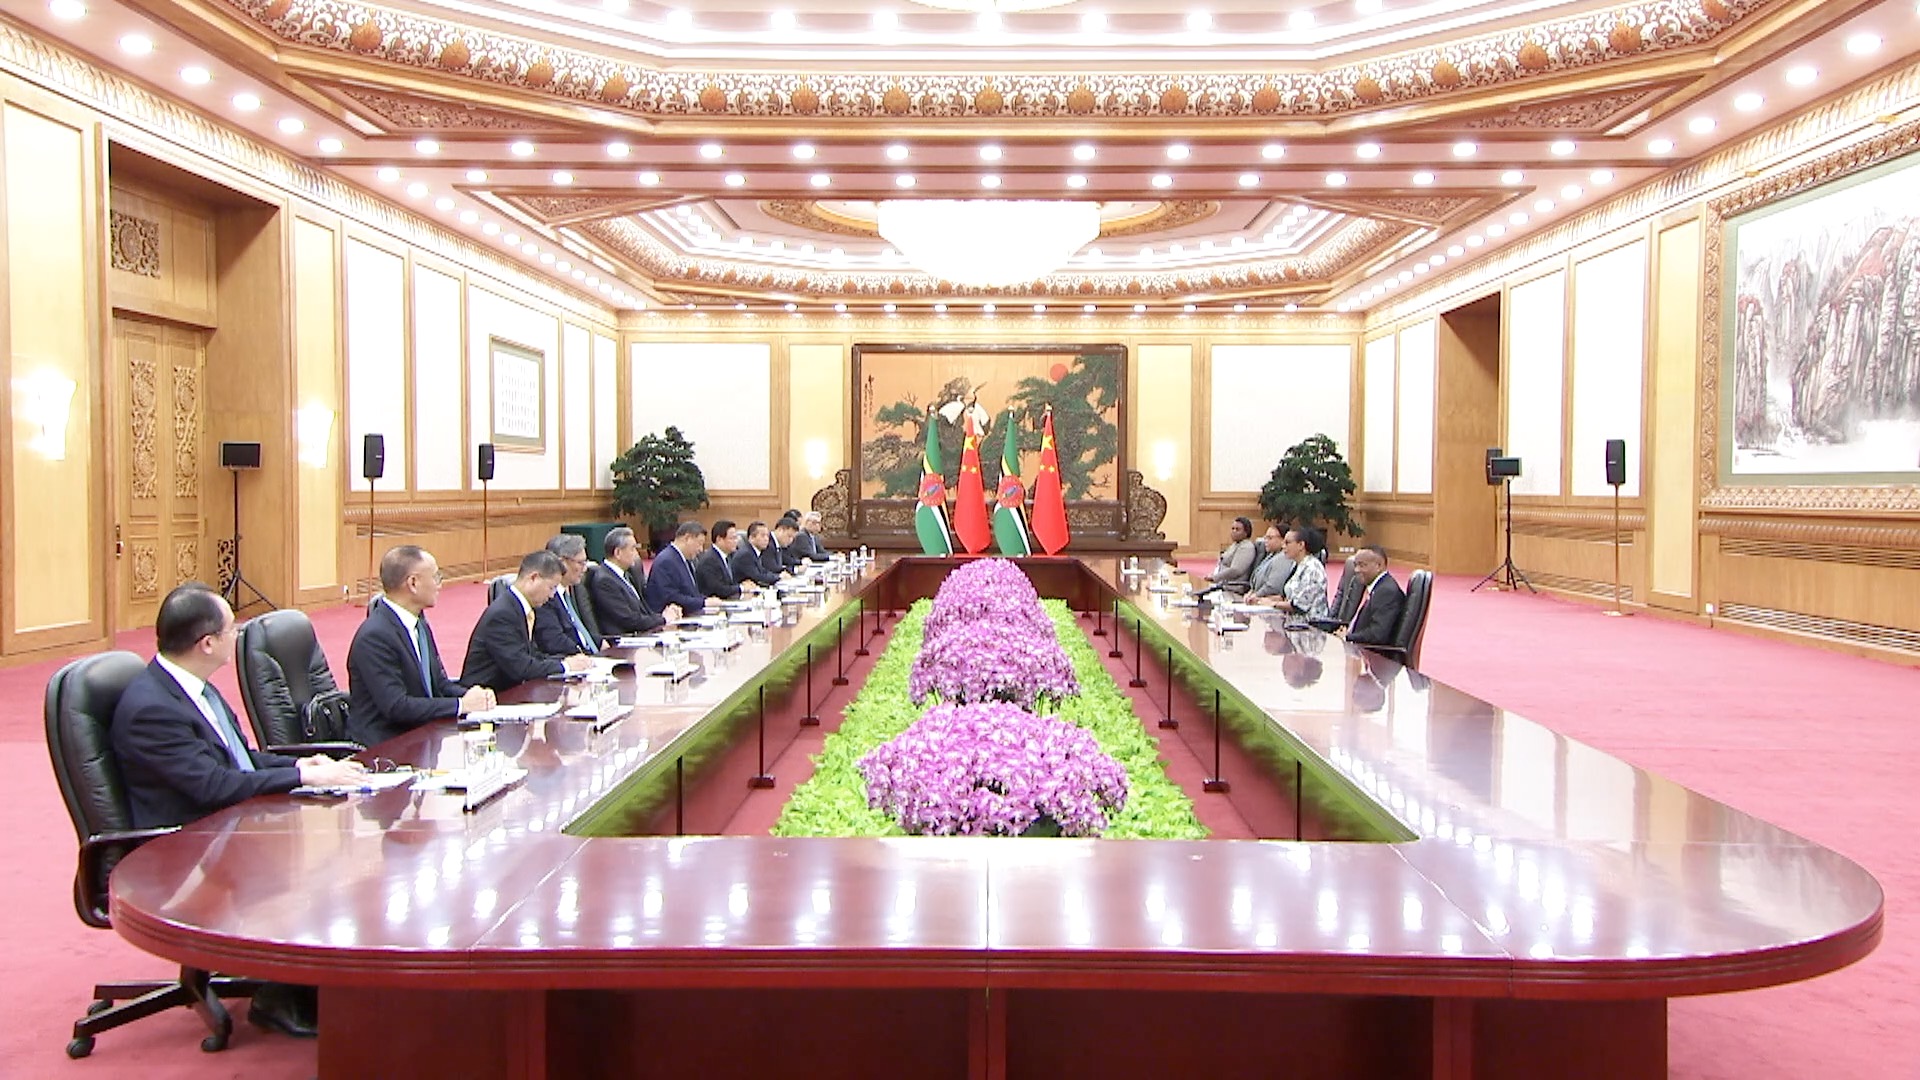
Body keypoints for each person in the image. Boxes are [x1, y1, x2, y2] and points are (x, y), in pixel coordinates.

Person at [110, 584, 364, 1039]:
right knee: (309, 867)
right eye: (232, 629)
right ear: (207, 643)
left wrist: (302, 766)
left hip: (220, 823)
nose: (238, 636)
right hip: (182, 847)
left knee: (329, 842)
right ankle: (278, 995)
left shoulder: (191, 687)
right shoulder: (152, 709)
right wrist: (299, 778)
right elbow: (213, 785)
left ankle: (303, 981)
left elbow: (238, 760)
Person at [346, 546, 495, 747]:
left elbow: (439, 685)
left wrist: (473, 696)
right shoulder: (375, 636)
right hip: (386, 748)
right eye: (435, 577)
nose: (439, 585)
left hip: (421, 737)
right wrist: (461, 705)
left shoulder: (419, 624)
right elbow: (397, 706)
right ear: (413, 583)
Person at [462, 551, 591, 690]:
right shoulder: (502, 614)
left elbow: (532, 655)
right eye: (551, 588)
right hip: (487, 694)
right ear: (533, 578)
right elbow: (520, 667)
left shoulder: (520, 607)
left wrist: (565, 661)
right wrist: (565, 666)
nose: (552, 596)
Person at [591, 527, 676, 635]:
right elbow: (628, 620)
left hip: (642, 633)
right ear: (618, 553)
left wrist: (665, 615)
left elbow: (643, 610)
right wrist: (663, 619)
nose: (636, 554)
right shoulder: (605, 581)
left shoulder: (627, 574)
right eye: (633, 549)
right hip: (625, 638)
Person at [534, 534, 603, 655]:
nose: (585, 569)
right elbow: (554, 641)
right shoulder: (545, 597)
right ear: (561, 563)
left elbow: (577, 631)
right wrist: (586, 655)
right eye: (580, 563)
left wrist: (599, 642)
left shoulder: (571, 590)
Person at [1338, 545, 1406, 648]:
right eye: (1356, 565)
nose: (1356, 570)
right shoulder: (1377, 587)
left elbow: (1377, 634)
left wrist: (1347, 637)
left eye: (1362, 565)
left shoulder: (1386, 592)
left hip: (1370, 653)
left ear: (1378, 566)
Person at [1265, 526, 1331, 621]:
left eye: (1287, 543)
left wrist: (1272, 604)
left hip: (1310, 625)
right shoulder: (1296, 565)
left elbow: (1299, 605)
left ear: (1301, 545)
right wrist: (1262, 600)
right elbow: (1287, 597)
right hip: (1292, 622)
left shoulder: (1312, 569)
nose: (1283, 546)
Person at [644, 521, 710, 616]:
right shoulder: (666, 561)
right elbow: (670, 597)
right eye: (699, 544)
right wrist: (703, 602)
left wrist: (706, 600)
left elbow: (691, 592)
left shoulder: (685, 560)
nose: (701, 549)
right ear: (687, 538)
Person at [693, 519, 753, 600]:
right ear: (719, 539)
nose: (736, 541)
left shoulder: (727, 556)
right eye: (732, 538)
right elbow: (718, 589)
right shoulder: (710, 560)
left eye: (736, 538)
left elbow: (728, 583)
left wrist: (743, 584)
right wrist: (741, 588)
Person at [1202, 516, 1257, 596]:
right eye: (1232, 528)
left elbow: (1236, 570)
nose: (1234, 531)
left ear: (1246, 532)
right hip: (1222, 586)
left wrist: (1215, 577)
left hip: (1232, 589)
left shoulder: (1246, 547)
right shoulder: (1236, 544)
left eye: (1237, 529)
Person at [1245, 524, 1296, 602]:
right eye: (1265, 537)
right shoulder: (1271, 555)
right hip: (1257, 599)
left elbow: (1273, 586)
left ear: (1283, 540)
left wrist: (1256, 595)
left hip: (1270, 601)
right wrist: (1250, 592)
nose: (1266, 541)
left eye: (1270, 538)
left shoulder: (1283, 558)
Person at [731, 520, 782, 588]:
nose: (766, 539)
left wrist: (776, 576)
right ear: (751, 538)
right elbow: (758, 576)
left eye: (767, 536)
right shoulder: (746, 554)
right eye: (763, 536)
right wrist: (779, 577)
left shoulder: (755, 552)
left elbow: (763, 571)